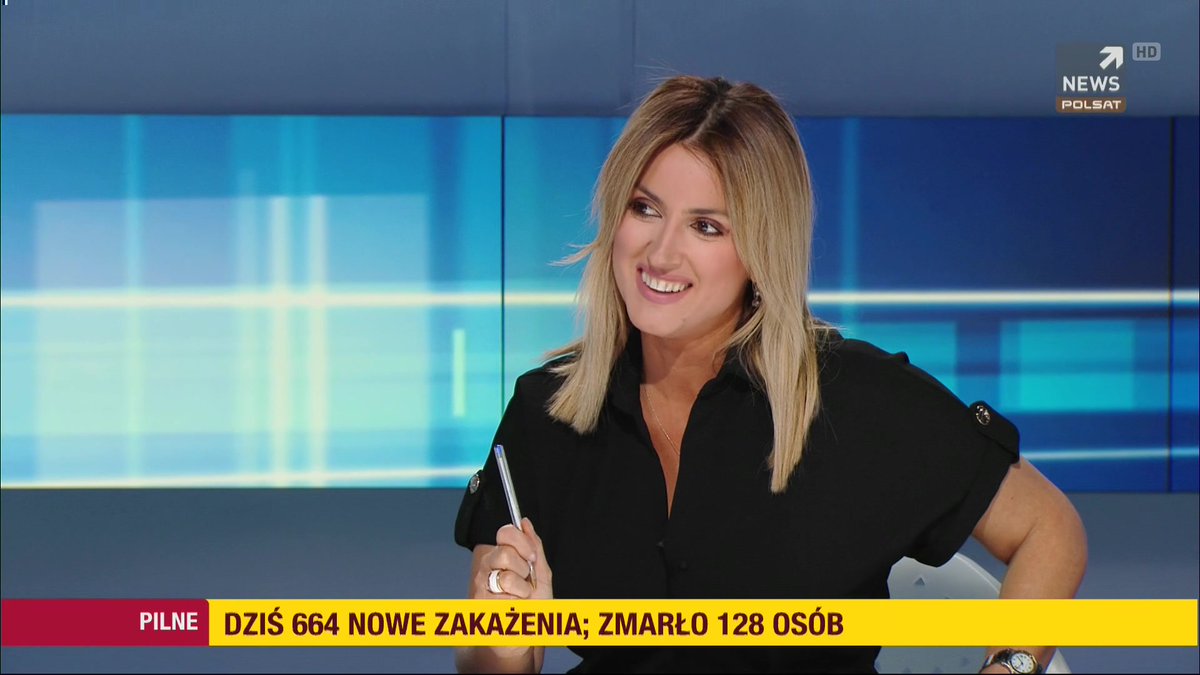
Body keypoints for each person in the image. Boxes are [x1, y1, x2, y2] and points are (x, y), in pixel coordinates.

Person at [453, 75, 1087, 674]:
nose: (661, 252)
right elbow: (496, 664)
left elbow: (1049, 528)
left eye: (706, 226)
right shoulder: (546, 412)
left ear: (762, 250)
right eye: (644, 209)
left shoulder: (856, 401)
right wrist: (501, 641)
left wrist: (1012, 664)